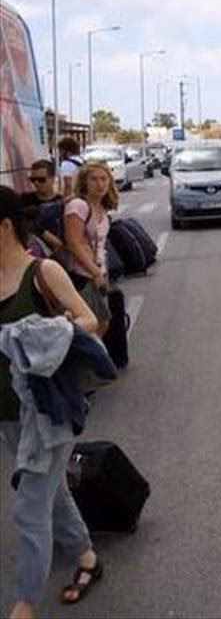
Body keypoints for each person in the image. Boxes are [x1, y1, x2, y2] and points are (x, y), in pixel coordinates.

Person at [0, 186, 104, 618]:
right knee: (51, 493)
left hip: (48, 411)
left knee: (29, 509)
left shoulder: (42, 272)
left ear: (5, 226)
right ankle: (86, 558)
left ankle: (23, 608)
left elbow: (89, 321)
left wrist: (43, 334)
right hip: (7, 414)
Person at [62, 162, 117, 334]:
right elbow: (74, 243)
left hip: (98, 273)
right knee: (94, 325)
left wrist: (102, 273)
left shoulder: (102, 208)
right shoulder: (78, 205)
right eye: (94, 179)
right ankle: (91, 360)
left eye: (103, 179)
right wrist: (95, 273)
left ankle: (94, 358)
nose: (100, 184)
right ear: (84, 182)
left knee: (101, 323)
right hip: (81, 275)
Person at [20, 160, 66, 254]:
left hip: (58, 255)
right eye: (33, 180)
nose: (36, 183)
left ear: (53, 179)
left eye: (41, 180)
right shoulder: (24, 200)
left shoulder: (63, 203)